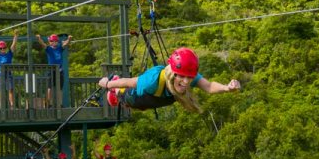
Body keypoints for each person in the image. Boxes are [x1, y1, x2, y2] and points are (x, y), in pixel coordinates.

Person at [97, 47, 240, 112]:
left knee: (140, 107)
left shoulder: (188, 74)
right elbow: (130, 82)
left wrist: (227, 88)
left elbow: (208, 86)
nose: (186, 82)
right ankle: (115, 93)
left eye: (189, 78)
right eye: (182, 77)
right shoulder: (153, 80)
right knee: (126, 98)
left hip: (148, 103)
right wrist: (108, 84)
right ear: (173, 73)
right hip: (133, 94)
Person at [35, 33, 72, 108]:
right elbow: (43, 44)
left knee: (60, 89)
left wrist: (69, 39)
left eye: (55, 41)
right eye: (52, 41)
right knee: (50, 88)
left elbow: (65, 44)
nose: (54, 42)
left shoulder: (59, 48)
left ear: (57, 42)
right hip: (51, 70)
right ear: (50, 42)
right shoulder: (49, 49)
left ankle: (60, 104)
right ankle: (49, 104)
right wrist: (39, 39)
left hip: (60, 70)